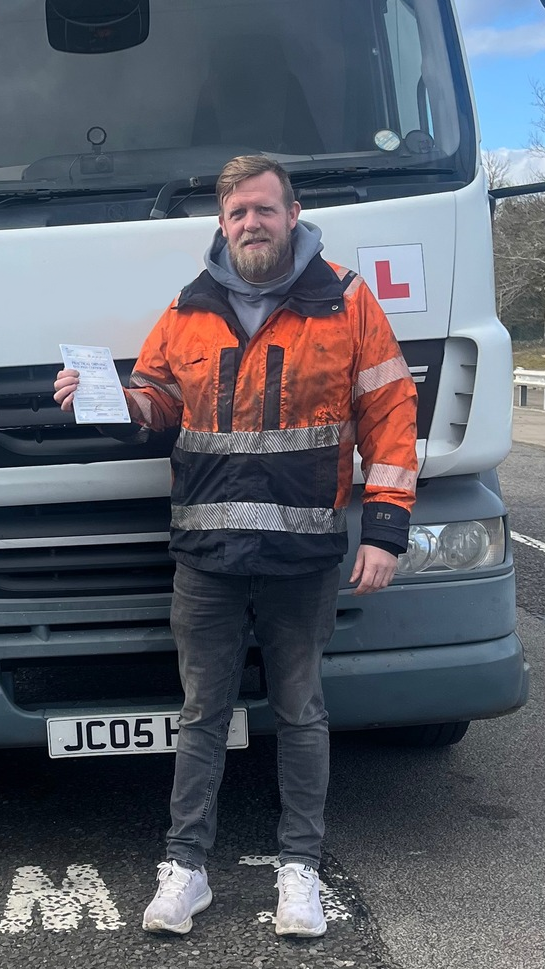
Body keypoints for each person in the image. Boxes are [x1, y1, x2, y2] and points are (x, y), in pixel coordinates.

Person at [53, 153, 418, 939]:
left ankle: (300, 872)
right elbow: (155, 401)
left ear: (293, 214)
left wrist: (385, 529)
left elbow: (390, 415)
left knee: (301, 712)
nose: (251, 224)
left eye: (263, 209)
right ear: (221, 227)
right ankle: (185, 870)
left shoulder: (347, 302)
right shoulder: (188, 309)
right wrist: (103, 397)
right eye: (237, 214)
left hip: (305, 557)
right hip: (209, 561)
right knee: (200, 716)